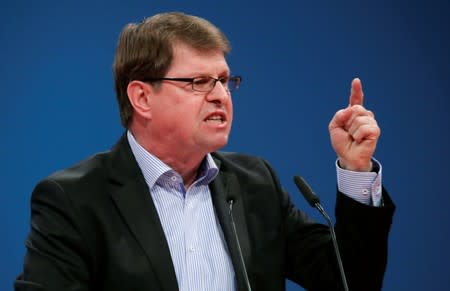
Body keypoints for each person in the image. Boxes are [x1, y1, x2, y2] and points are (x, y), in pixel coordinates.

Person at [15, 12, 395, 291]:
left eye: (226, 81)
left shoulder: (254, 184)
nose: (220, 95)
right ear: (142, 97)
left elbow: (350, 281)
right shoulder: (74, 200)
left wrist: (357, 169)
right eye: (199, 82)